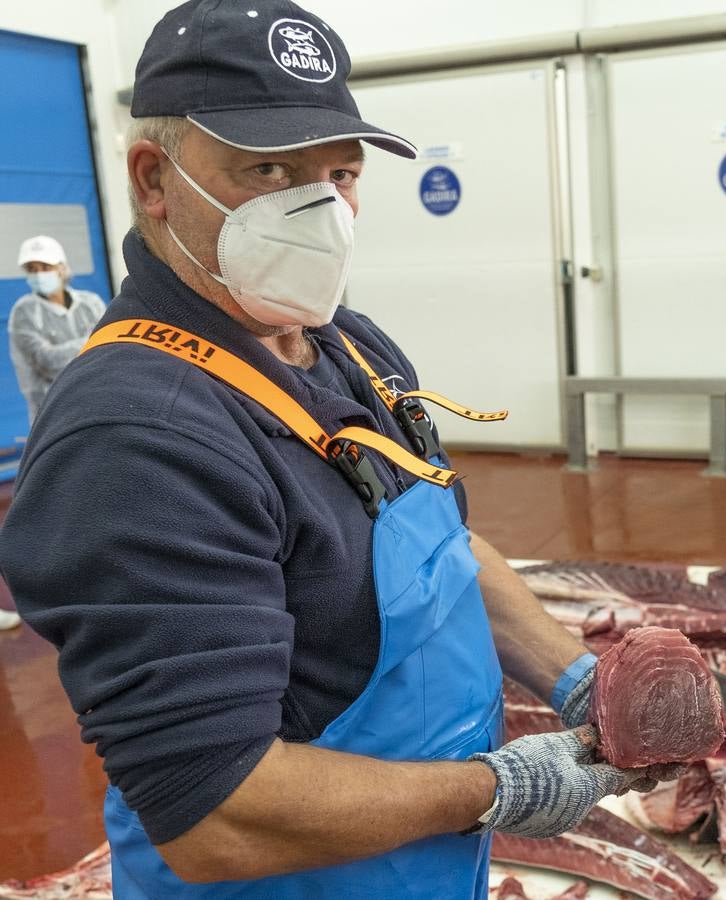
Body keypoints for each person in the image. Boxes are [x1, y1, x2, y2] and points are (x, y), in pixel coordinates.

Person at [0, 2, 667, 896]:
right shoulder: (136, 438)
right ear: (155, 180)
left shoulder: (347, 345)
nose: (320, 208)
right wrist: (497, 789)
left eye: (340, 172)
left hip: (418, 858)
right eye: (268, 168)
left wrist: (578, 679)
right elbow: (216, 812)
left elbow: (446, 551)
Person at [9, 235, 107, 423]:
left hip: (100, 403)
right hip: (53, 414)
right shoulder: (24, 312)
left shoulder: (90, 303)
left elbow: (113, 347)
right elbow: (48, 361)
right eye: (32, 269)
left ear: (61, 268)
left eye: (46, 267)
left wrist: (99, 344)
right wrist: (94, 341)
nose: (39, 275)